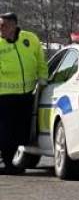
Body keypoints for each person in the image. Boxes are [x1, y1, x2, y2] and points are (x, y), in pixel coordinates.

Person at [0, 11, 48, 174]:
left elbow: (41, 61)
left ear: (13, 25)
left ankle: (11, 162)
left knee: (21, 131)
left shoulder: (30, 39)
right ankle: (7, 164)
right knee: (5, 131)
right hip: (4, 96)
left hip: (26, 94)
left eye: (3, 25)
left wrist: (43, 79)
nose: (1, 29)